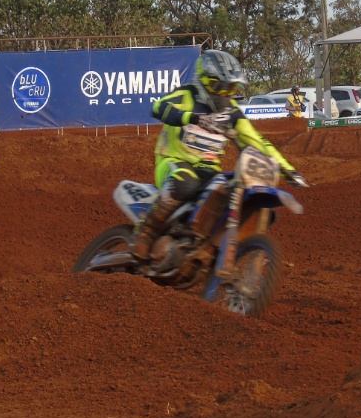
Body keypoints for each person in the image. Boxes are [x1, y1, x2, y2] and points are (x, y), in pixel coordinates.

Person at [130, 49, 308, 264]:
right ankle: (146, 232)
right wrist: (193, 117)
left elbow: (257, 140)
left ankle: (204, 242)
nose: (224, 93)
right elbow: (159, 107)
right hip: (173, 162)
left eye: (230, 88)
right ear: (203, 82)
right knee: (186, 183)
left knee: (230, 191)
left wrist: (287, 169)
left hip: (208, 169)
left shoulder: (231, 112)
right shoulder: (186, 95)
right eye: (219, 87)